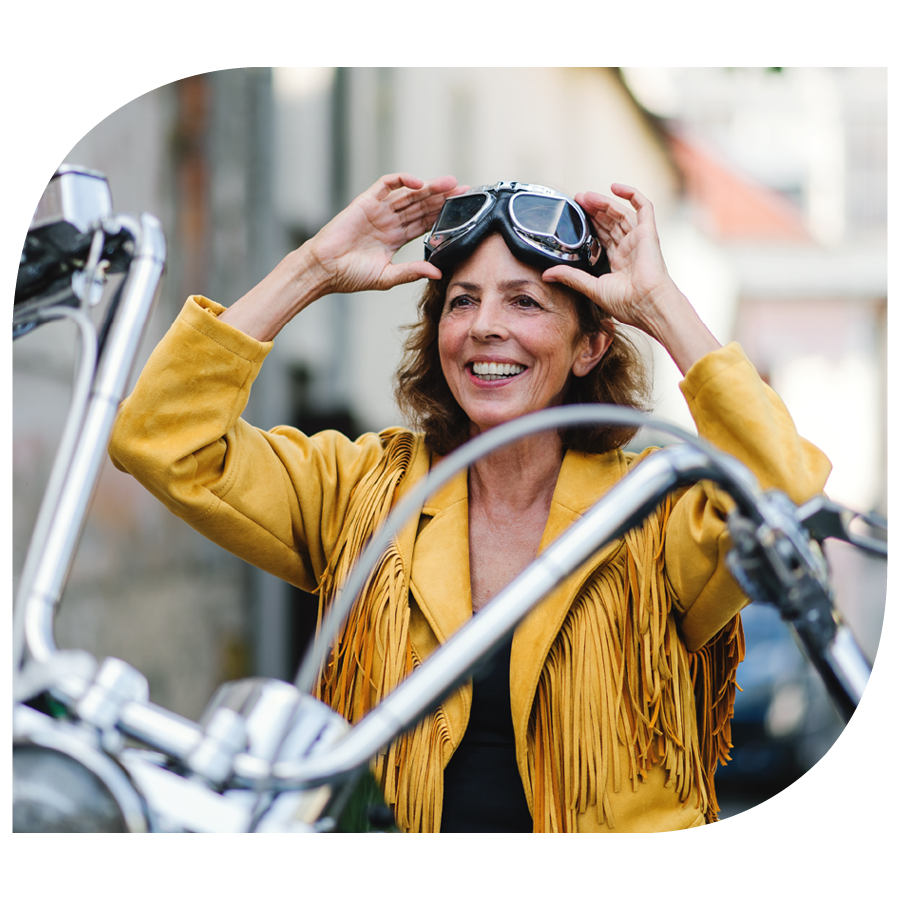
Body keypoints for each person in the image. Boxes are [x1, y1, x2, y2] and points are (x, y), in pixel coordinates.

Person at [108, 173, 831, 833]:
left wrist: (659, 305)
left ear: (588, 348)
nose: (486, 326)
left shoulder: (657, 510)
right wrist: (312, 270)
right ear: (439, 335)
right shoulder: (359, 490)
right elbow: (163, 439)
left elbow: (787, 489)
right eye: (463, 302)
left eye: (525, 301)